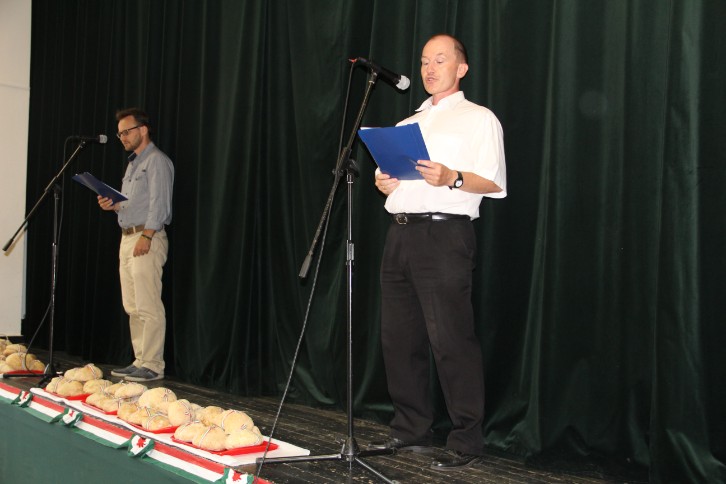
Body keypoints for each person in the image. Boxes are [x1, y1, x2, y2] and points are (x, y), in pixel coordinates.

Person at [369, 34, 507, 470]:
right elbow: (397, 180)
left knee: (450, 338)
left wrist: (452, 177)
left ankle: (467, 438)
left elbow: (495, 181)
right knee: (400, 338)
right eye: (425, 61)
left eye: (440, 60)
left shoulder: (479, 118)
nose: (429, 69)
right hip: (400, 233)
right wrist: (385, 182)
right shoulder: (408, 122)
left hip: (445, 235)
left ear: (461, 68)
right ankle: (411, 429)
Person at [98, 108, 174, 382]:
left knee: (148, 302)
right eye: (120, 134)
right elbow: (133, 203)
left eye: (126, 132)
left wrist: (147, 236)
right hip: (128, 236)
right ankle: (140, 359)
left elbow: (160, 204)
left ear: (143, 130)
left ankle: (153, 364)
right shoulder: (133, 164)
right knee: (132, 304)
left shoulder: (157, 161)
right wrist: (114, 204)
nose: (122, 137)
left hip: (146, 236)